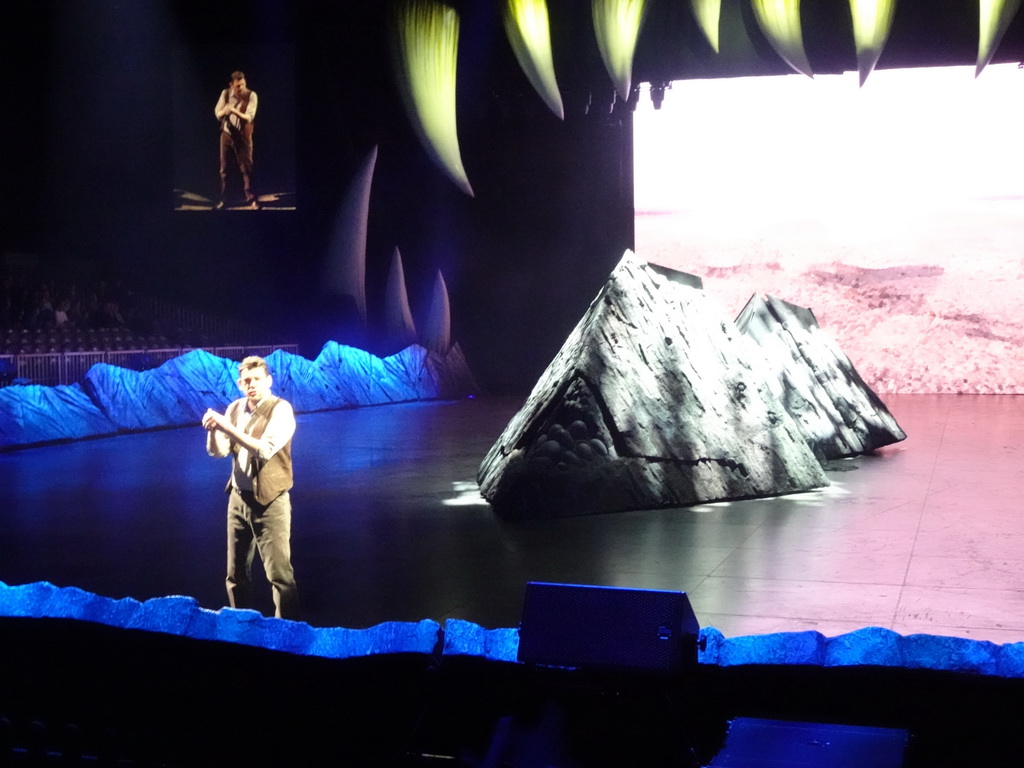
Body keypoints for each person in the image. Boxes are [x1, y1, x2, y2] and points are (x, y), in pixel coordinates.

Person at [203, 356, 299, 619]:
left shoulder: (280, 409)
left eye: (257, 379)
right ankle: (241, 629)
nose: (251, 384)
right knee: (235, 574)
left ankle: (286, 634)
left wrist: (226, 427)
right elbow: (220, 451)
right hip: (238, 499)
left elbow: (265, 449)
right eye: (246, 380)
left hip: (270, 502)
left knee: (279, 575)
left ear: (268, 381)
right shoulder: (235, 408)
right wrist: (213, 430)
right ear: (239, 383)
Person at [214, 71, 258, 209]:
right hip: (227, 134)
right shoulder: (225, 93)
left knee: (246, 168)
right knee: (224, 169)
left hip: (243, 136)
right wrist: (225, 111)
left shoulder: (251, 95)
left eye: (243, 84)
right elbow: (217, 113)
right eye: (238, 86)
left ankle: (251, 198)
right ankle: (224, 198)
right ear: (231, 85)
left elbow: (249, 117)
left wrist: (233, 111)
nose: (241, 88)